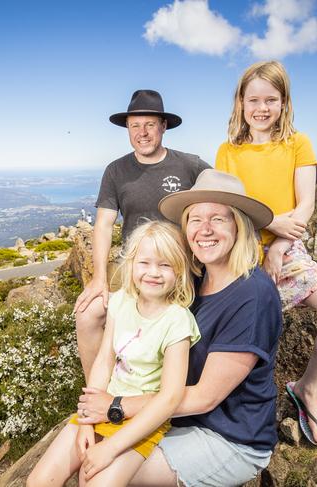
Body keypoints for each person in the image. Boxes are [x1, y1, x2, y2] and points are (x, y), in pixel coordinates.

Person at [78, 169, 283, 486]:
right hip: (178, 416)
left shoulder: (251, 295)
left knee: (100, 470)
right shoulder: (196, 275)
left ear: (239, 226)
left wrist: (116, 407)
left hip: (228, 436)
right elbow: (134, 307)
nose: (205, 229)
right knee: (92, 455)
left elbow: (204, 398)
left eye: (218, 219)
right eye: (195, 219)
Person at [215, 60, 317, 445]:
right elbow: (229, 210)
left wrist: (281, 243)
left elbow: (306, 205)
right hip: (242, 251)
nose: (261, 108)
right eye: (254, 100)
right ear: (240, 103)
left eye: (271, 99)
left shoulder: (298, 144)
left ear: (284, 103)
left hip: (289, 248)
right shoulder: (227, 152)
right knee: (240, 335)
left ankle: (307, 387)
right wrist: (269, 229)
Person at [28, 221, 200, 486]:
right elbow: (104, 361)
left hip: (141, 424)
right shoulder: (121, 301)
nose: (153, 272)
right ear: (131, 264)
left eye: (165, 265)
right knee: (39, 481)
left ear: (179, 271)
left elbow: (170, 397)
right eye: (145, 263)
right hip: (100, 408)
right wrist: (86, 420)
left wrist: (110, 447)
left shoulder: (178, 321)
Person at [74, 89, 210, 379]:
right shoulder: (116, 170)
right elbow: (104, 224)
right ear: (127, 129)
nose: (142, 132)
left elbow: (221, 198)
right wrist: (99, 278)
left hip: (179, 266)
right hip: (135, 265)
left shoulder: (190, 165)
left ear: (163, 126)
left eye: (150, 124)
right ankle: (97, 391)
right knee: (88, 315)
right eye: (135, 125)